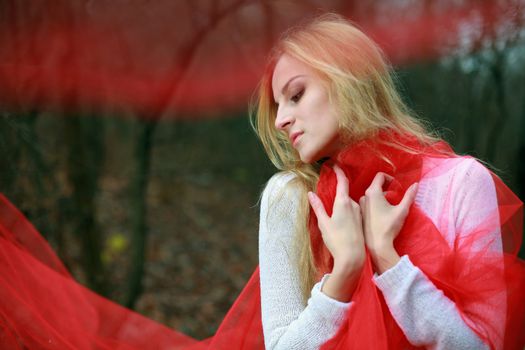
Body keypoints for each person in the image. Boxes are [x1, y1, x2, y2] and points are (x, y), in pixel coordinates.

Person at [251, 13, 524, 349]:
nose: (280, 120)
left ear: (348, 79)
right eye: (277, 106)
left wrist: (389, 262)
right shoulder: (288, 197)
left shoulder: (462, 183)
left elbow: (484, 346)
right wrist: (345, 272)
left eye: (295, 95)